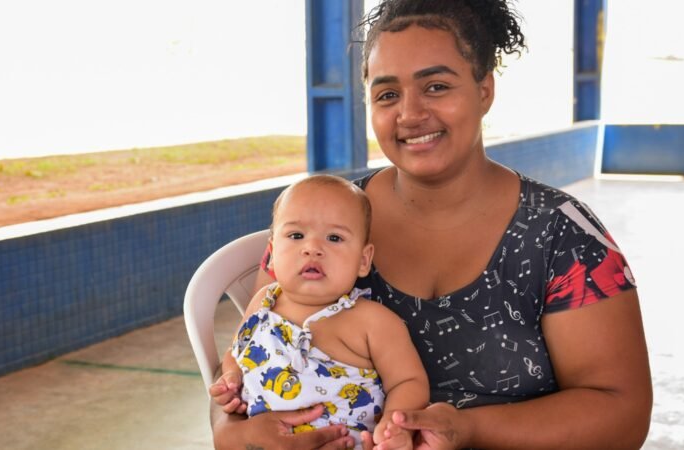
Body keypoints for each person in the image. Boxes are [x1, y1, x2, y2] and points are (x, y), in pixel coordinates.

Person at [210, 1, 653, 448]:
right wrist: (237, 435)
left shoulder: (561, 235)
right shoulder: (325, 220)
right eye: (387, 95)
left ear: (484, 90)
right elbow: (247, 357)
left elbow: (622, 413)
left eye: (436, 86)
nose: (410, 114)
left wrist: (468, 428)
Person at [209, 174, 429, 449]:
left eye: (334, 238)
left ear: (363, 261)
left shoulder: (372, 321)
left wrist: (394, 426)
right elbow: (236, 354)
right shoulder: (263, 302)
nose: (312, 248)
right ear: (273, 252)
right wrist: (231, 379)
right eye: (296, 235)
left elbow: (409, 381)